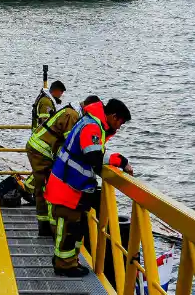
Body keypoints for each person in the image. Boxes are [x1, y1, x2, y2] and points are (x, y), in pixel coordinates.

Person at [45, 98, 133, 277]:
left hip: (70, 184)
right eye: (120, 123)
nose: (119, 127)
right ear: (114, 116)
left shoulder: (90, 121)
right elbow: (94, 157)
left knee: (73, 227)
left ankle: (69, 262)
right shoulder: (92, 127)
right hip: (67, 186)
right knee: (69, 228)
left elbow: (93, 152)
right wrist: (120, 160)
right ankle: (64, 265)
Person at [25, 95, 100, 236]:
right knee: (45, 187)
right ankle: (47, 227)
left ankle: (45, 225)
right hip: (41, 151)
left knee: (43, 186)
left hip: (41, 148)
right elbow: (70, 143)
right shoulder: (72, 116)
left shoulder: (71, 112)